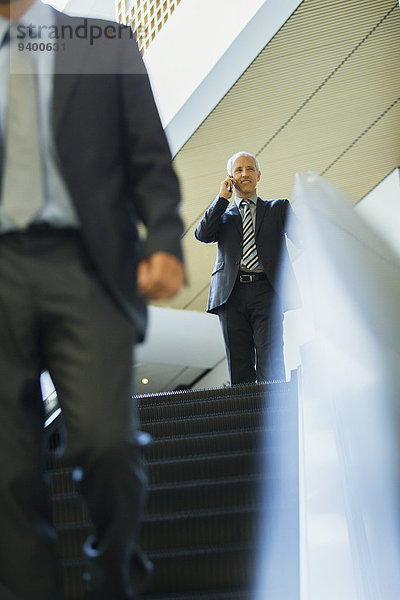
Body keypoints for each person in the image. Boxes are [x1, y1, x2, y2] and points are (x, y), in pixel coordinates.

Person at [0, 1, 185, 599]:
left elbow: (149, 157)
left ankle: (112, 579)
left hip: (87, 265)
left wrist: (162, 238)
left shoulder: (102, 41)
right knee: (8, 470)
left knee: (106, 442)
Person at [195, 151, 300, 385]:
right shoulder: (222, 215)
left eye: (250, 169)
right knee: (239, 364)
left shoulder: (278, 208)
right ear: (230, 178)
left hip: (267, 291)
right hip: (231, 295)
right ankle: (249, 419)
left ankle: (273, 416)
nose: (245, 174)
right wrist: (222, 198)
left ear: (259, 175)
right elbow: (202, 234)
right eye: (239, 170)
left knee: (270, 359)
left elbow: (304, 238)